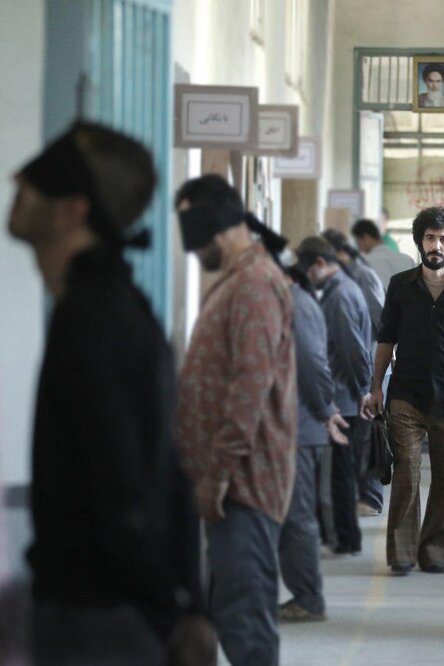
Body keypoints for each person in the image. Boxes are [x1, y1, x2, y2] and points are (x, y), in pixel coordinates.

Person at [8, 122, 211, 665]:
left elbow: (125, 484)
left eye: (37, 183)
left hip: (102, 621)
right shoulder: (111, 307)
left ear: (72, 211)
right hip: (111, 612)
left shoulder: (93, 320)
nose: (15, 182)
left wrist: (174, 607)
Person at [174, 174, 297, 666]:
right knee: (223, 611)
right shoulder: (238, 281)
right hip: (227, 485)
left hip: (244, 484)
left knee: (244, 621)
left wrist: (219, 472)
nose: (190, 248)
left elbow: (251, 384)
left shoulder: (254, 285)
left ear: (215, 223)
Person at [362, 207, 444, 575]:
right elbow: (386, 339)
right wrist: (376, 388)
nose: (437, 245)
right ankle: (402, 554)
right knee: (406, 476)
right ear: (419, 241)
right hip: (406, 396)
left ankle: (435, 551)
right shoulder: (400, 285)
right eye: (430, 238)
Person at [277, 262, 349, 623]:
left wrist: (324, 409)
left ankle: (308, 598)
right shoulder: (294, 301)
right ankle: (302, 594)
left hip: (301, 427)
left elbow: (311, 360)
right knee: (292, 514)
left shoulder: (296, 303)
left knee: (297, 515)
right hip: (294, 426)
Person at [298, 236, 376, 537]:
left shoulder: (340, 295)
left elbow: (352, 350)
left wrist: (363, 391)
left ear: (320, 264)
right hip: (346, 395)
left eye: (308, 271)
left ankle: (345, 536)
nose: (307, 279)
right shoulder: (339, 290)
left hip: (345, 399)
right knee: (341, 471)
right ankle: (344, 535)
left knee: (341, 472)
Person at [322, 227, 385, 343]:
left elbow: (378, 315)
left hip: (368, 345)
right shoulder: (344, 274)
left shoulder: (362, 275)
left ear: (340, 253)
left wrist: (384, 347)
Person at [353, 217, 415, 289]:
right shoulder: (407, 260)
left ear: (366, 238)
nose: (359, 247)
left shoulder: (363, 264)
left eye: (358, 242)